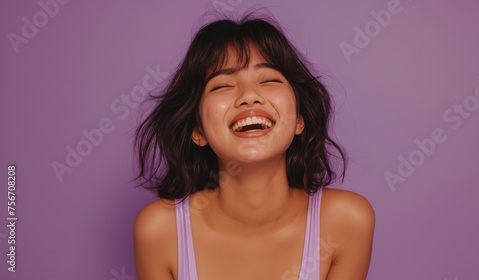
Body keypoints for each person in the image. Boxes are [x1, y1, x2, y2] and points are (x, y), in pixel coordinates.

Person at [132, 11, 375, 280]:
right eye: (222, 85)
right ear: (198, 130)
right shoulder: (159, 230)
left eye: (269, 80)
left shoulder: (347, 221)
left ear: (299, 121)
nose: (249, 96)